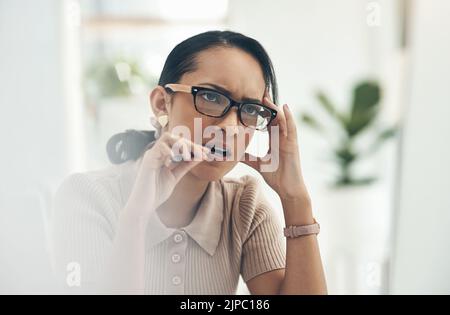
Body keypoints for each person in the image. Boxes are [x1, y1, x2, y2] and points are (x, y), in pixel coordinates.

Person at [52, 30, 327, 295]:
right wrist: (136, 216)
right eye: (210, 96)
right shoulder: (86, 196)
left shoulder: (244, 205)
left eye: (250, 110)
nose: (231, 127)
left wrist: (295, 198)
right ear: (162, 104)